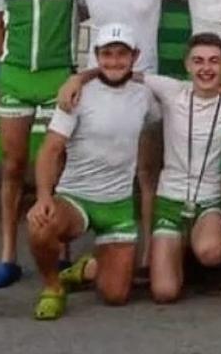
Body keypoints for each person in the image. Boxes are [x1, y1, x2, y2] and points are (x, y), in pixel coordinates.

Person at [54, 32, 221, 303]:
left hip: (209, 202)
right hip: (169, 201)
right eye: (198, 61)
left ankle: (200, 259)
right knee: (164, 293)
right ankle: (91, 267)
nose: (206, 68)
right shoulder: (170, 89)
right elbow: (121, 71)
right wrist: (78, 78)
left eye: (213, 61)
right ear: (187, 65)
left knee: (210, 251)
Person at [78, 0, 186, 275]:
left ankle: (146, 256)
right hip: (99, 87)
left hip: (144, 84)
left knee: (146, 173)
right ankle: (106, 248)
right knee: (105, 167)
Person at [26, 23, 158, 320]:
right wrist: (43, 196)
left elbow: (159, 123)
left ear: (134, 56)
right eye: (107, 54)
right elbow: (50, 150)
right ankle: (53, 287)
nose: (114, 61)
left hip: (119, 208)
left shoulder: (145, 97)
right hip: (76, 199)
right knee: (40, 224)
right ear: (97, 56)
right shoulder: (77, 95)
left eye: (121, 54)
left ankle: (85, 269)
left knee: (115, 296)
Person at [0, 0, 80, 289]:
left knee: (57, 169)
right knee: (12, 166)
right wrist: (5, 67)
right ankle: (8, 255)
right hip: (17, 78)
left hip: (58, 75)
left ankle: (61, 251)